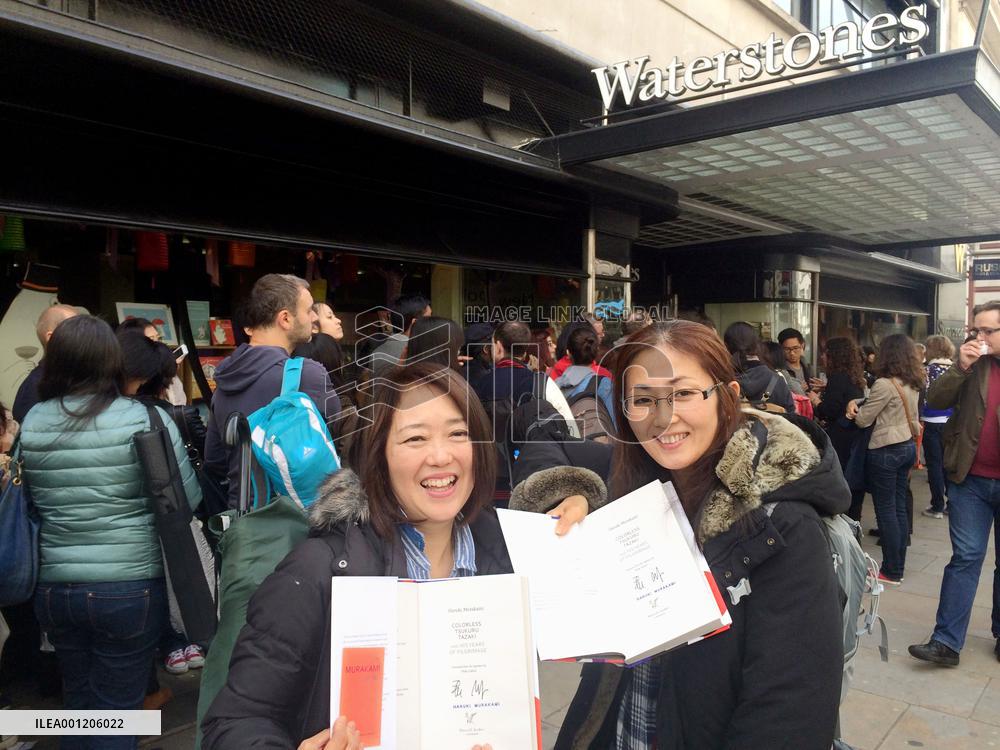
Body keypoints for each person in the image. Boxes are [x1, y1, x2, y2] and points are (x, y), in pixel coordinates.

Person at [201, 363, 597, 750]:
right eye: (415, 439)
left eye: (457, 434)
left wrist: (579, 508)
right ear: (380, 457)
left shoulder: (508, 555)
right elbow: (234, 723)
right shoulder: (320, 570)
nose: (440, 456)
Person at [556, 320, 847, 749]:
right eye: (643, 399)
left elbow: (789, 712)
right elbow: (546, 451)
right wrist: (576, 497)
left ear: (727, 396)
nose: (663, 417)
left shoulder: (783, 526)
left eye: (684, 394)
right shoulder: (637, 495)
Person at [20, 315, 202, 750]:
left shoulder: (34, 420)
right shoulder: (142, 418)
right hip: (128, 586)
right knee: (116, 712)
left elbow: (30, 501)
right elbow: (186, 498)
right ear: (111, 361)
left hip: (54, 587)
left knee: (79, 706)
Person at [909, 302, 1000, 666]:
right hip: (969, 479)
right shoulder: (968, 363)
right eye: (975, 330)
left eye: (988, 331)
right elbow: (935, 400)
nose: (979, 337)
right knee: (965, 557)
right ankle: (946, 642)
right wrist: (961, 366)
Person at [204, 274, 340, 509]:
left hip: (244, 519)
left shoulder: (223, 381)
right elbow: (339, 442)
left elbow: (215, 461)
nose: (314, 317)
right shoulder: (306, 375)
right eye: (309, 310)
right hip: (298, 520)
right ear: (285, 318)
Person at [846, 334, 921, 586]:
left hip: (885, 450)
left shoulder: (884, 384)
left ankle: (891, 571)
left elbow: (863, 420)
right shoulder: (913, 382)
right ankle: (897, 567)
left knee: (886, 510)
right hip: (907, 446)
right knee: (898, 508)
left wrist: (854, 409)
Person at [813, 337, 868, 521]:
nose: (822, 356)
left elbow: (830, 410)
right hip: (854, 436)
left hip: (840, 437)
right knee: (853, 483)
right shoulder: (855, 377)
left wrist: (816, 401)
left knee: (840, 480)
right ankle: (854, 524)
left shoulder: (837, 377)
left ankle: (843, 522)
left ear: (834, 355)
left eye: (825, 352)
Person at [12, 304, 77, 424]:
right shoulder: (35, 387)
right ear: (52, 338)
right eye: (75, 329)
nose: (85, 335)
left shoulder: (79, 377)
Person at [723, 322, 794, 413]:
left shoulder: (721, 382)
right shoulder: (777, 381)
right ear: (757, 344)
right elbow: (791, 416)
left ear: (726, 346)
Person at [920, 335, 955, 519]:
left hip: (931, 421)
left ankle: (937, 505)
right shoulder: (956, 369)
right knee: (949, 464)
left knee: (934, 465)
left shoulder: (927, 371)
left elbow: (922, 396)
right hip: (952, 421)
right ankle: (952, 503)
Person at [369, 293, 432, 377]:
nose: (432, 323)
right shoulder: (418, 352)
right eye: (429, 319)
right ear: (415, 323)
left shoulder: (377, 352)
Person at [777, 327, 813, 396]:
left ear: (802, 346)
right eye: (787, 349)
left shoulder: (807, 367)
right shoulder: (780, 370)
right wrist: (798, 390)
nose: (792, 353)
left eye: (795, 348)